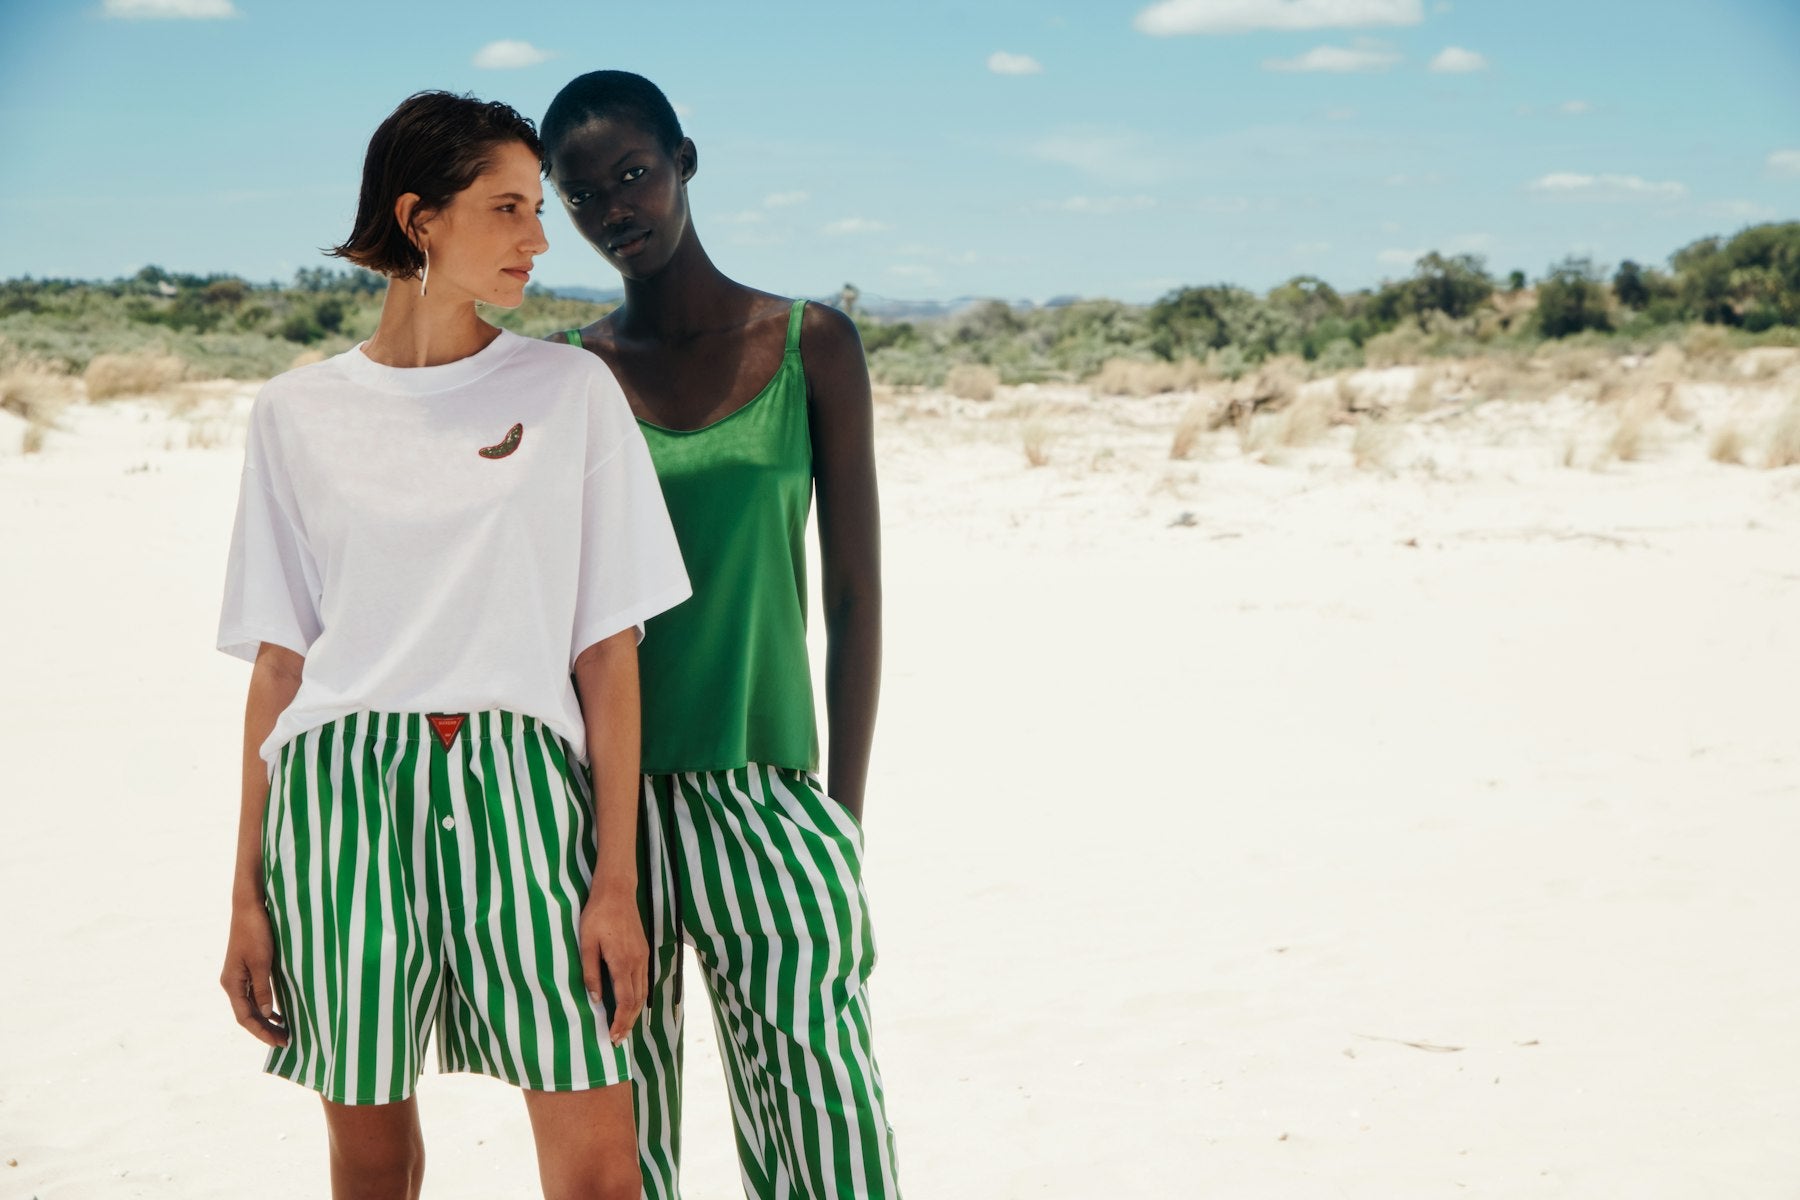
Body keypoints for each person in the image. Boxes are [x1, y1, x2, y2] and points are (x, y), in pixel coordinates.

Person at [215, 90, 691, 1200]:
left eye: (539, 210)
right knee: (371, 1165)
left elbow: (608, 652)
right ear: (419, 217)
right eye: (507, 208)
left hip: (525, 792)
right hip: (338, 801)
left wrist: (614, 882)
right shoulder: (295, 412)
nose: (539, 238)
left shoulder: (570, 391)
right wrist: (245, 893)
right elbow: (281, 666)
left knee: (599, 1169)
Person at [539, 71, 901, 1200]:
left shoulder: (811, 345)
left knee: (828, 1136)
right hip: (606, 812)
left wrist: (838, 818)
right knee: (626, 1140)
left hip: (767, 791)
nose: (616, 208)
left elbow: (855, 596)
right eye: (583, 195)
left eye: (634, 174)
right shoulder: (573, 376)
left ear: (685, 161)